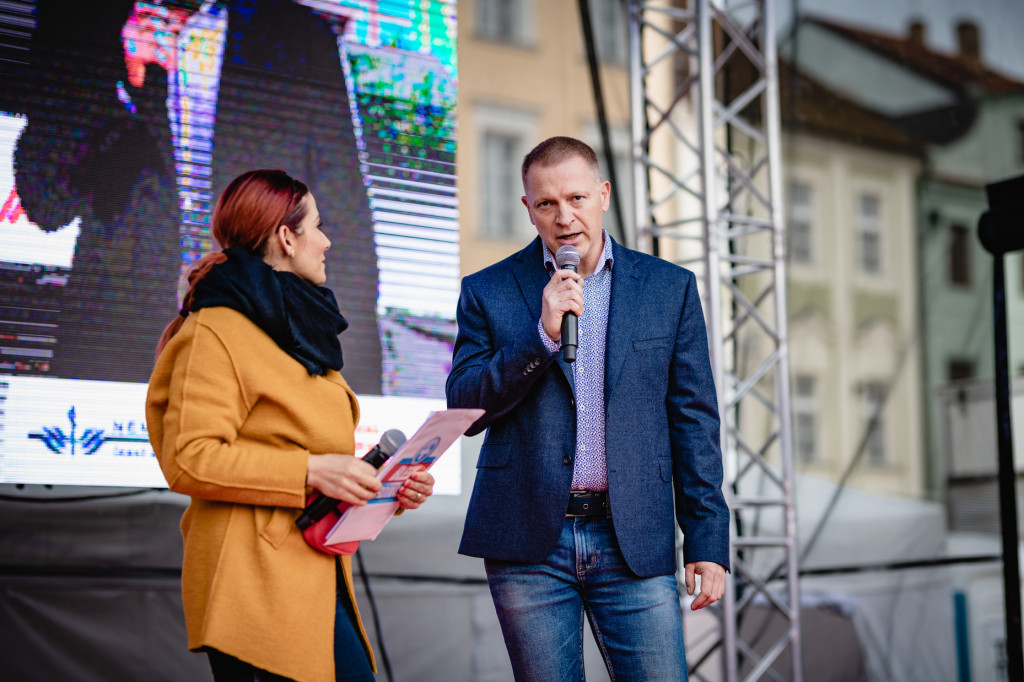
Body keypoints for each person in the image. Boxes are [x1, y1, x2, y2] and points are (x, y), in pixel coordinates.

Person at [446, 137, 730, 680]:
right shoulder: (487, 290)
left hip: (635, 536)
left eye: (576, 198)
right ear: (527, 209)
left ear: (603, 195)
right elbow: (466, 406)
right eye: (547, 203)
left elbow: (695, 420)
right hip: (528, 541)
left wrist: (707, 538)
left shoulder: (669, 289)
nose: (565, 216)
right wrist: (540, 338)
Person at [145, 169, 434, 682]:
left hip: (314, 575)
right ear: (285, 236)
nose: (325, 241)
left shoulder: (297, 327)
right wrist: (313, 470)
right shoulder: (216, 328)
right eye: (317, 226)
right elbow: (190, 458)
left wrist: (386, 489)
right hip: (253, 583)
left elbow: (313, 462)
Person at [6, 0, 381, 389]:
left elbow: (347, 228)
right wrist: (109, 80)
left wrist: (355, 390)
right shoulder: (87, 20)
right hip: (116, 355)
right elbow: (45, 203)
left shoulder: (295, 36)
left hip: (258, 367)